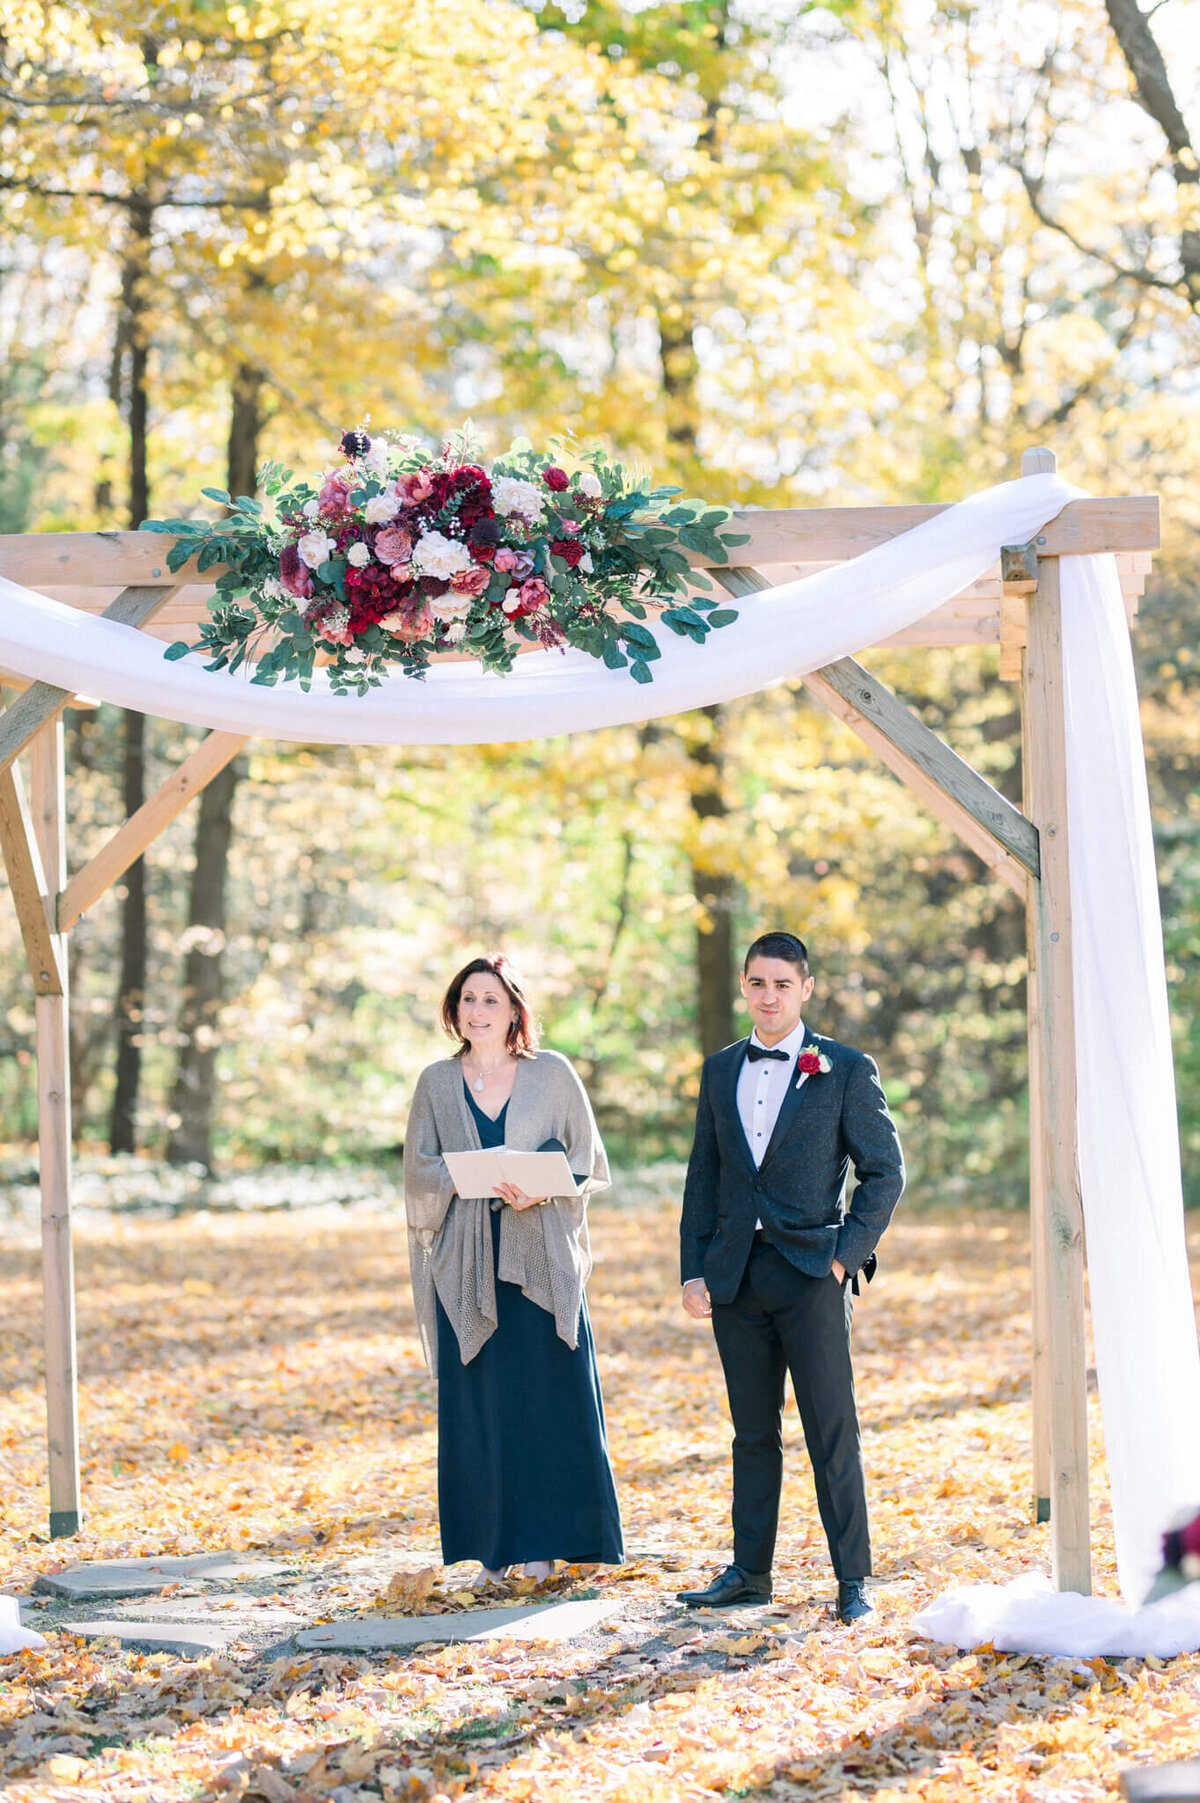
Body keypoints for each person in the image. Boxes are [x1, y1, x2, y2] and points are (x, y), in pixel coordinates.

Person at [677, 930, 904, 1623]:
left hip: (812, 1272)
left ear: (805, 987)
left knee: (831, 1427)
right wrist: (693, 1268)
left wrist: (843, 1256)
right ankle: (750, 1572)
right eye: (757, 982)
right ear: (744, 987)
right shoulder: (719, 1070)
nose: (768, 995)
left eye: (782, 983)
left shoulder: (844, 1067)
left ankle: (853, 1581)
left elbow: (885, 1172)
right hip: (735, 1277)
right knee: (751, 1432)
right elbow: (704, 1175)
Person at [403, 952, 624, 1582]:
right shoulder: (437, 1083)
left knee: (545, 1402)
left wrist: (541, 1188)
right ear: (455, 1009)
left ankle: (543, 1545)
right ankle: (493, 1552)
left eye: (491, 999)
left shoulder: (552, 1074)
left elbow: (588, 1162)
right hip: (465, 1262)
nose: (478, 1010)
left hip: (541, 1260)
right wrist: (466, 1177)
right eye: (468, 999)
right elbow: (419, 1171)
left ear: (514, 1010)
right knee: (483, 1407)